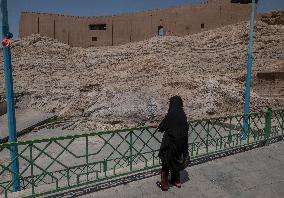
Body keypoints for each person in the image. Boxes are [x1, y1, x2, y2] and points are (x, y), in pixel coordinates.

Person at [156, 95, 189, 191]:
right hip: (181, 145)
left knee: (166, 162)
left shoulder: (171, 114)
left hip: (170, 144)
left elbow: (162, 127)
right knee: (176, 160)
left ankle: (164, 184)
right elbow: (186, 128)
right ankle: (177, 181)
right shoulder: (183, 114)